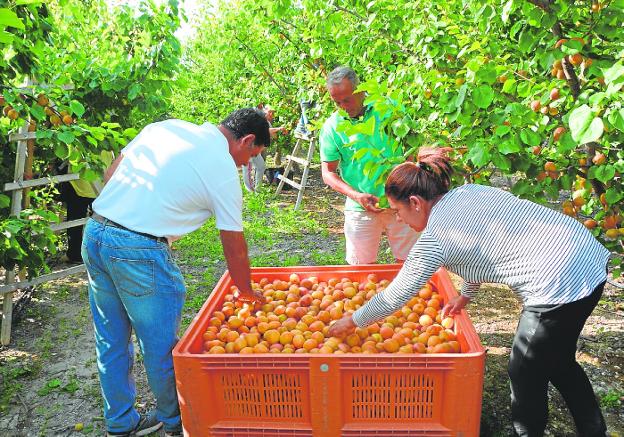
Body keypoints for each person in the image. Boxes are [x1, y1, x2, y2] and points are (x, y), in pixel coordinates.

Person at [328, 147, 610, 437]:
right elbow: (483, 245)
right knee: (558, 359)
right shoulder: (470, 191)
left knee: (524, 369)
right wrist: (466, 293)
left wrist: (352, 321)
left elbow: (395, 295)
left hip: (558, 284)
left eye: (398, 211)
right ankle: (594, 430)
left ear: (414, 202)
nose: (398, 219)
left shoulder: (434, 239)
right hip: (588, 256)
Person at [81, 108, 269, 437]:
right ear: (247, 139)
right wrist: (246, 291)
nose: (245, 165)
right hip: (137, 249)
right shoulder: (222, 168)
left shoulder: (164, 128)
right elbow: (233, 243)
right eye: (251, 156)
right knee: (161, 347)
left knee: (110, 339)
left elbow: (113, 175)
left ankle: (120, 423)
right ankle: (174, 423)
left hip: (96, 232)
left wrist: (147, 214)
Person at [319, 66, 419, 264]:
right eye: (336, 102)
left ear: (361, 91)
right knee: (361, 270)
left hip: (402, 203)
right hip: (361, 206)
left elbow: (413, 150)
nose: (343, 106)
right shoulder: (332, 127)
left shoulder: (390, 110)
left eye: (347, 99)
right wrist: (356, 195)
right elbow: (327, 172)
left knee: (411, 265)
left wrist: (407, 190)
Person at [57, 151, 114, 263]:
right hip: (100, 183)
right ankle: (101, 253)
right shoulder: (109, 137)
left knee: (75, 220)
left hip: (79, 182)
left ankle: (75, 254)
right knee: (102, 221)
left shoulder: (76, 135)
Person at [242, 104, 285, 192]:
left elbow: (272, 134)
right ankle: (249, 190)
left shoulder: (267, 122)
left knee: (261, 166)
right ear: (265, 111)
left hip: (255, 148)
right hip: (248, 147)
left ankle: (257, 189)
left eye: (273, 113)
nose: (271, 114)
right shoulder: (259, 119)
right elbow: (267, 131)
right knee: (247, 168)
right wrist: (279, 129)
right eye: (270, 112)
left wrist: (282, 132)